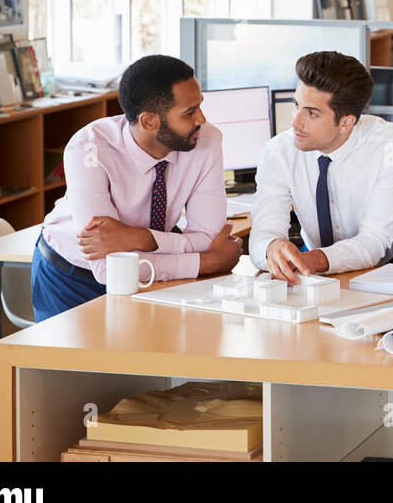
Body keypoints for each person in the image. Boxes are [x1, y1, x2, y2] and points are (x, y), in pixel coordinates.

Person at [31, 55, 242, 320]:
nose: (202, 118)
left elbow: (210, 238)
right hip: (71, 278)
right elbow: (110, 268)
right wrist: (205, 262)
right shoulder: (88, 148)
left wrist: (141, 238)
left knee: (154, 355)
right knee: (75, 362)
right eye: (189, 112)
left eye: (199, 105)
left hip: (152, 269)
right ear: (148, 121)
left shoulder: (206, 140)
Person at [250, 51, 393, 282]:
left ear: (346, 122)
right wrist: (271, 247)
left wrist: (312, 261)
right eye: (296, 105)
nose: (295, 122)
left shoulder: (390, 145)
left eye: (312, 113)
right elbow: (263, 231)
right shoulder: (279, 151)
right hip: (317, 267)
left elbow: (374, 241)